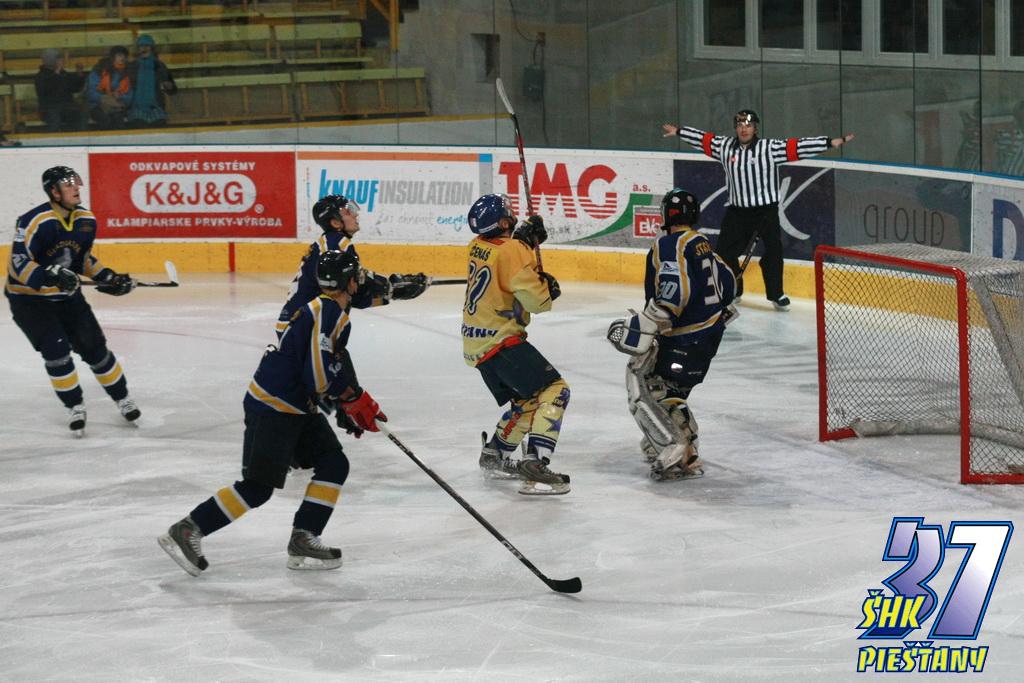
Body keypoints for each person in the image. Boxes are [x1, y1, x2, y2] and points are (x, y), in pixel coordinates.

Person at [159, 250, 386, 575]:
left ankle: (304, 538)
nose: (360, 281)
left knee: (334, 463)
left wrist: (349, 399)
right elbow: (318, 374)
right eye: (356, 276)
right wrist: (349, 398)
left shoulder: (329, 310)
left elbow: (326, 368)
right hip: (275, 406)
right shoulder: (326, 312)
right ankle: (188, 529)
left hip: (296, 405)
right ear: (349, 282)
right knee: (257, 487)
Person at [662, 110, 853, 309]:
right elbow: (704, 140)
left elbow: (797, 146)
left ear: (755, 129)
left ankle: (776, 294)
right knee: (724, 253)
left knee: (773, 252)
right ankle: (733, 289)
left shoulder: (769, 148)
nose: (744, 129)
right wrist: (679, 132)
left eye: (748, 125)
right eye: (740, 125)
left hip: (765, 212)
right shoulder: (724, 147)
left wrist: (829, 142)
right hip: (737, 211)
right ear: (736, 128)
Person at [606, 188, 737, 480]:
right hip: (710, 337)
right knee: (673, 391)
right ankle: (687, 452)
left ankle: (673, 445)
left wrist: (651, 321)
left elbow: (674, 290)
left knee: (650, 387)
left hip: (684, 337)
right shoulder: (703, 243)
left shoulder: (669, 244)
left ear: (666, 214)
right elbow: (729, 285)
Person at [5, 166, 140, 436]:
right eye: (67, 185)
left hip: (66, 297)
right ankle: (75, 405)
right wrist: (48, 275)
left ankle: (122, 397)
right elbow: (18, 263)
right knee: (56, 352)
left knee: (95, 349)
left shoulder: (86, 220)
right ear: (54, 192)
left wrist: (108, 277)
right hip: (30, 300)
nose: (75, 188)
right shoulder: (34, 221)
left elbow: (82, 261)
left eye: (75, 183)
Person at [464, 194, 570, 496]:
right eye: (508, 214)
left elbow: (504, 257)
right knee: (556, 390)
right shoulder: (513, 251)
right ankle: (535, 462)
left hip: (477, 344)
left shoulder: (476, 245)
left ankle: (495, 454)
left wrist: (524, 241)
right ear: (503, 222)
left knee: (528, 402)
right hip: (502, 340)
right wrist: (546, 285)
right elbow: (538, 303)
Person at [275, 194, 430, 338]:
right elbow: (353, 292)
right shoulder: (336, 245)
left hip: (301, 324)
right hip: (303, 327)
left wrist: (390, 293)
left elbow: (350, 295)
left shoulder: (333, 242)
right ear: (336, 223)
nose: (355, 215)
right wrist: (389, 289)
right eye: (348, 212)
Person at [126, 34, 176, 127]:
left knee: (159, 124)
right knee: (139, 123)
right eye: (141, 46)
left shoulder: (159, 65)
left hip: (156, 105)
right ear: (138, 49)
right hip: (136, 106)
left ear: (152, 48)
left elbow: (172, 89)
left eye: (147, 46)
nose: (144, 48)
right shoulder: (132, 66)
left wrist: (169, 86)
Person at [34, 48, 86, 132]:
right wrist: (56, 73)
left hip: (66, 106)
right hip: (48, 108)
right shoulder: (40, 76)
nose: (60, 60)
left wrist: (79, 74)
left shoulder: (63, 74)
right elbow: (44, 91)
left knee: (80, 115)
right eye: (58, 58)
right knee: (55, 119)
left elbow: (74, 88)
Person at [86, 46, 132, 129]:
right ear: (113, 57)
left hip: (117, 106)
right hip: (98, 106)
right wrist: (105, 98)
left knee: (118, 119)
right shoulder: (99, 70)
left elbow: (129, 96)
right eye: (119, 55)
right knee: (106, 120)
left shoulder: (127, 73)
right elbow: (91, 93)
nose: (122, 58)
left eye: (124, 56)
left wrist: (120, 96)